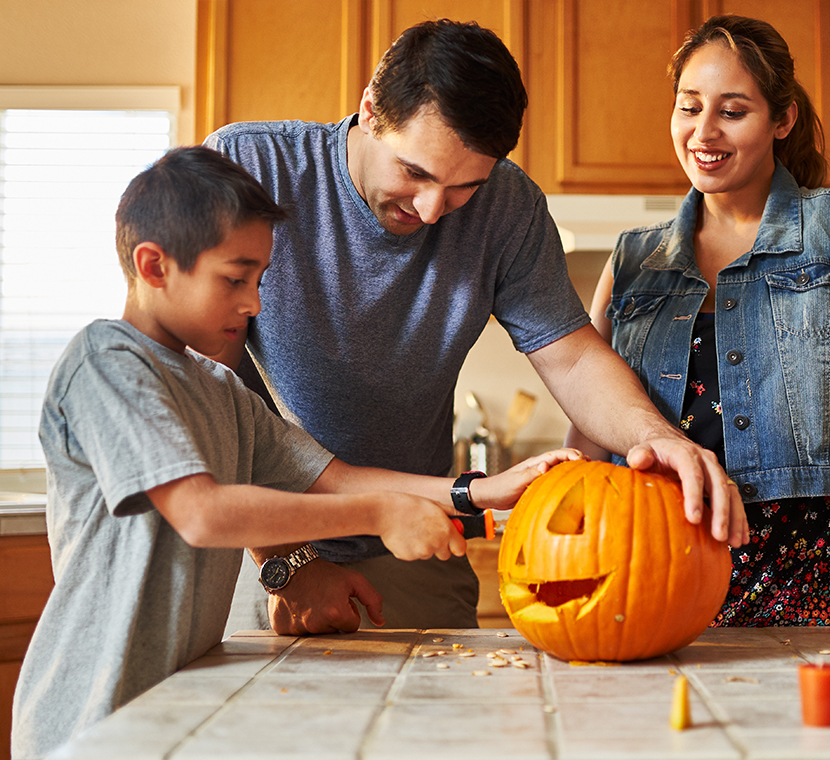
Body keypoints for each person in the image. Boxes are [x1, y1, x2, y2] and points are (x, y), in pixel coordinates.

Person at [9, 146, 580, 759]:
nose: (253, 303)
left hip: (172, 711)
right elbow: (204, 515)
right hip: (92, 717)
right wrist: (380, 515)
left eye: (260, 280)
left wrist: (476, 491)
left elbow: (334, 479)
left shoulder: (221, 391)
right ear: (154, 266)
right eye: (234, 279)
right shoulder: (107, 363)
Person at [204, 18, 748, 634]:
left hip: (422, 539)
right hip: (268, 543)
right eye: (415, 173)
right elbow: (207, 390)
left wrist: (660, 436)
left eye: (465, 186)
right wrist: (287, 563)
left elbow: (572, 358)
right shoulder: (248, 168)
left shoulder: (508, 208)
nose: (432, 210)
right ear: (369, 110)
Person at [566, 15, 830, 626]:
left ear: (782, 121)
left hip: (816, 579)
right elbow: (591, 420)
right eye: (689, 107)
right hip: (651, 579)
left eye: (732, 111)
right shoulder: (632, 260)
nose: (703, 131)